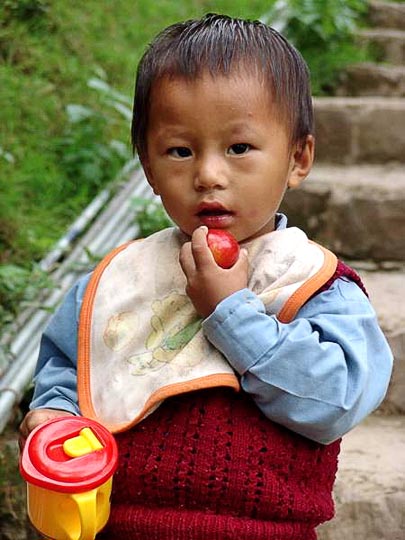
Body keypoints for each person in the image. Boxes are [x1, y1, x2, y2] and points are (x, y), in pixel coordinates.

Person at [19, 14, 393, 539]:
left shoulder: (314, 282)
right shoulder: (116, 281)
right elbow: (70, 369)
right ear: (148, 168)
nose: (208, 175)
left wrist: (232, 312)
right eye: (179, 151)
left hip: (264, 530)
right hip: (120, 525)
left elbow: (336, 399)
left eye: (239, 148)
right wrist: (53, 417)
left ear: (298, 158)